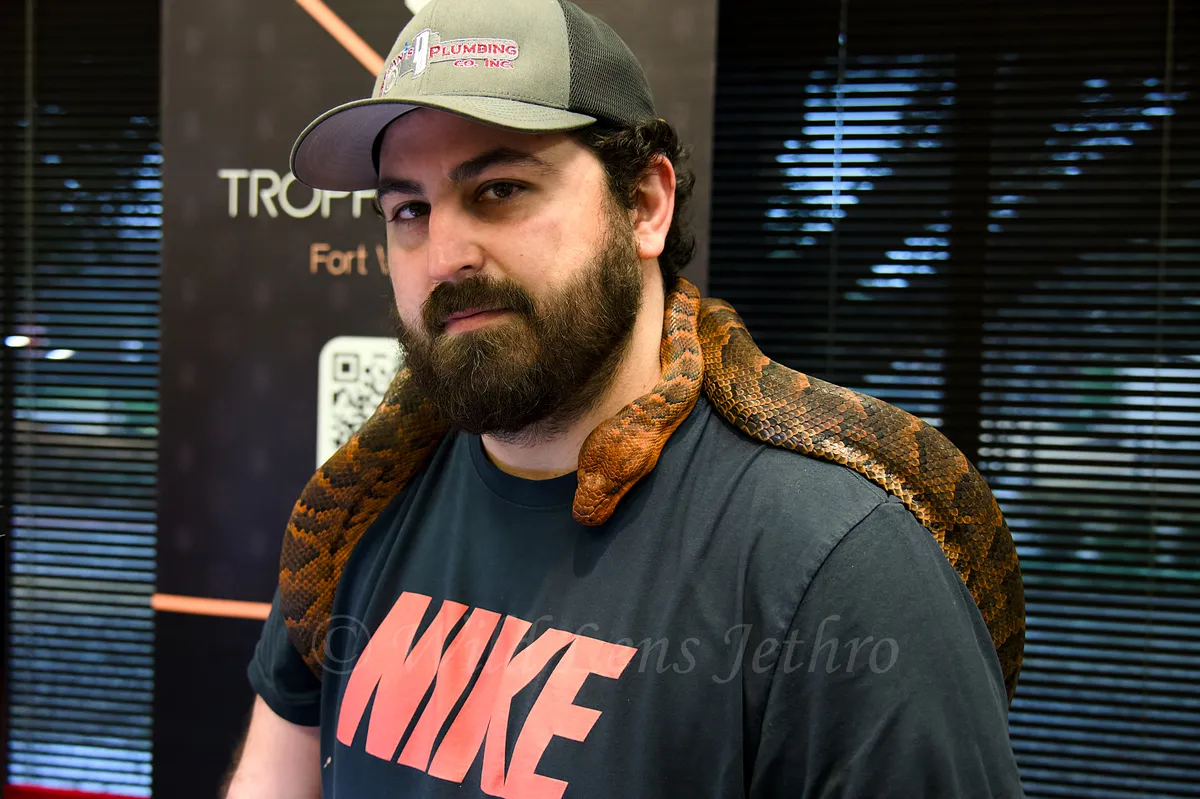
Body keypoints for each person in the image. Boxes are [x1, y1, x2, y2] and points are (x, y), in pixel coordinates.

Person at [225, 0, 1025, 796]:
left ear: (644, 204)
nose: (445, 254)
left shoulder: (845, 564)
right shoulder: (359, 508)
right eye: (408, 209)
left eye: (501, 189)